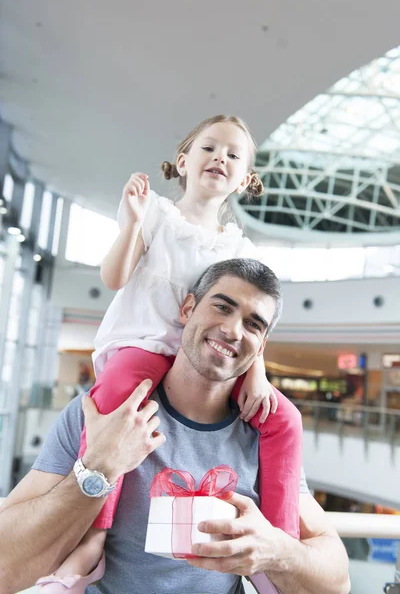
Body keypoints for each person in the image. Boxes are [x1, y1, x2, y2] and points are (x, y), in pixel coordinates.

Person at [31, 115, 302, 586]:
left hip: (206, 362)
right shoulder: (155, 213)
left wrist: (256, 374)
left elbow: (247, 321)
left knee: (284, 418)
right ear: (183, 161)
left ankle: (275, 545)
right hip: (143, 346)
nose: (221, 157)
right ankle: (95, 531)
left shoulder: (239, 247)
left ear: (246, 179)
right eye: (209, 147)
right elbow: (115, 279)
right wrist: (133, 224)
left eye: (234, 155)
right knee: (123, 385)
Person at [0, 259, 350, 594]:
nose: (232, 330)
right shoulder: (100, 415)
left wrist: (278, 551)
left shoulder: (266, 438)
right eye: (222, 307)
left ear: (261, 346)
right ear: (187, 309)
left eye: (253, 324)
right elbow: (5, 568)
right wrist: (98, 469)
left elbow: (337, 584)